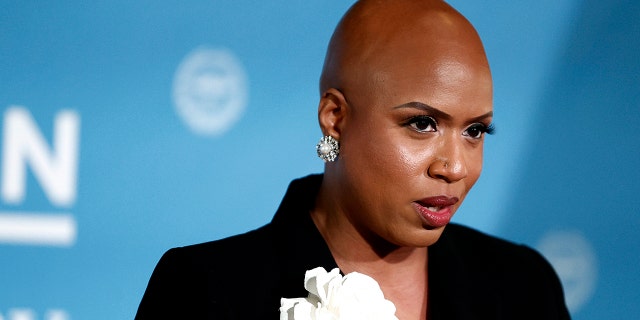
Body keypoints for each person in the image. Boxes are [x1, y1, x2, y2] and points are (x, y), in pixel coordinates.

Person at [135, 0, 571, 319]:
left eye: (475, 131)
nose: (454, 167)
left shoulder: (524, 287)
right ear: (335, 118)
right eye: (422, 124)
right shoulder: (205, 291)